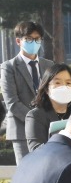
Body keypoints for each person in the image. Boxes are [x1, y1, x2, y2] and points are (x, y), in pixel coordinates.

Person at [1, 21, 54, 164]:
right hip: (22, 130)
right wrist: (35, 121)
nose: (34, 42)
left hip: (48, 130)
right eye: (29, 39)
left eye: (37, 39)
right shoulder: (8, 68)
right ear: (18, 41)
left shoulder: (49, 66)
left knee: (47, 172)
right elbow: (12, 102)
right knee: (27, 172)